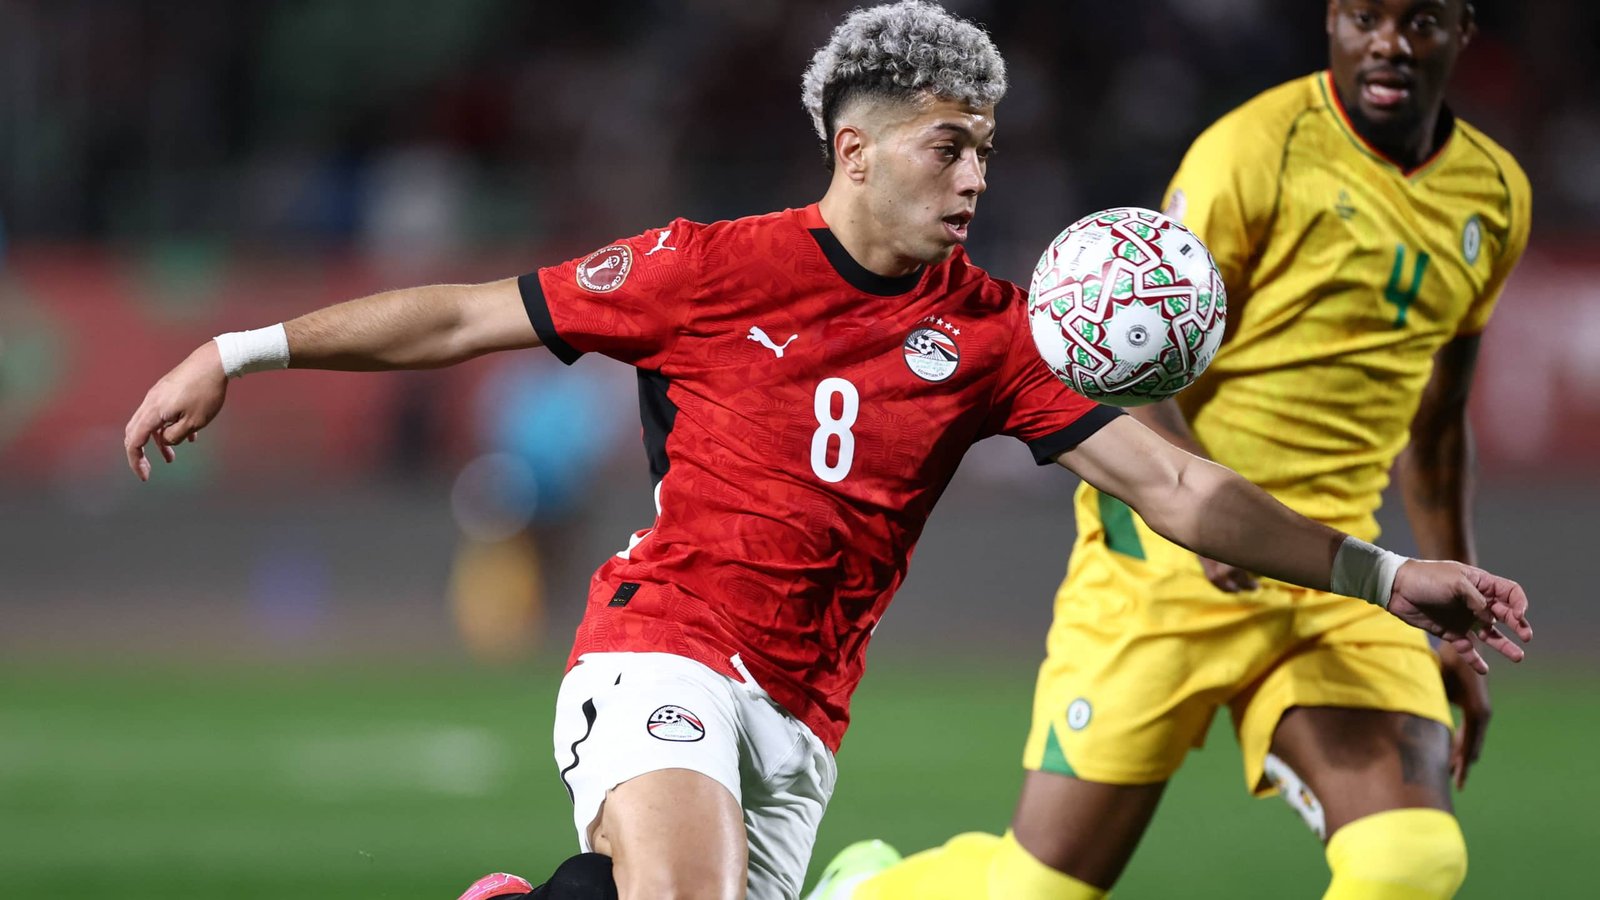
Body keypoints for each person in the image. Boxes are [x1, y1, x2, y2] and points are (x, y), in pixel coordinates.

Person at [123, 3, 1529, 900]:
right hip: (660, 646)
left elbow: (1175, 485)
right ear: (855, 152)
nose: (976, 176)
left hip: (802, 723)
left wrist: (1383, 574)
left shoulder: (994, 335)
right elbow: (467, 315)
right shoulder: (707, 267)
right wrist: (241, 351)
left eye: (985, 149)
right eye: (948, 148)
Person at [811, 2, 1532, 899]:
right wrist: (1207, 517)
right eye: (1364, 16)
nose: (1389, 41)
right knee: (1038, 891)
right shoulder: (1256, 153)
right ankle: (871, 891)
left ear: (1463, 29)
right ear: (1332, 23)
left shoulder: (1495, 194)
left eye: (1419, 19)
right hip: (1162, 567)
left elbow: (1439, 414)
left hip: (1340, 567)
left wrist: (1455, 602)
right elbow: (1137, 358)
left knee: (1409, 864)